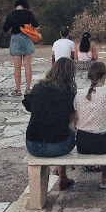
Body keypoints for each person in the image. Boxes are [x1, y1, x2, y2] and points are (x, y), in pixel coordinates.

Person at [23, 57, 77, 190]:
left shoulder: (37, 88)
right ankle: (62, 176)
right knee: (66, 131)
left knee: (53, 130)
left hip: (33, 144)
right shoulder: (69, 94)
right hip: (59, 146)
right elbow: (72, 122)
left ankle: (59, 177)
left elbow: (28, 106)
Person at [74, 61, 106, 189]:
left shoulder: (79, 94)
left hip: (83, 143)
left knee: (99, 131)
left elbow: (76, 117)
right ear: (105, 75)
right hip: (104, 144)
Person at [2, 0, 39, 96]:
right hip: (27, 39)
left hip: (16, 39)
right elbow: (37, 26)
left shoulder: (11, 15)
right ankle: (28, 89)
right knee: (28, 65)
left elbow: (5, 29)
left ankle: (18, 90)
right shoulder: (28, 14)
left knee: (17, 67)